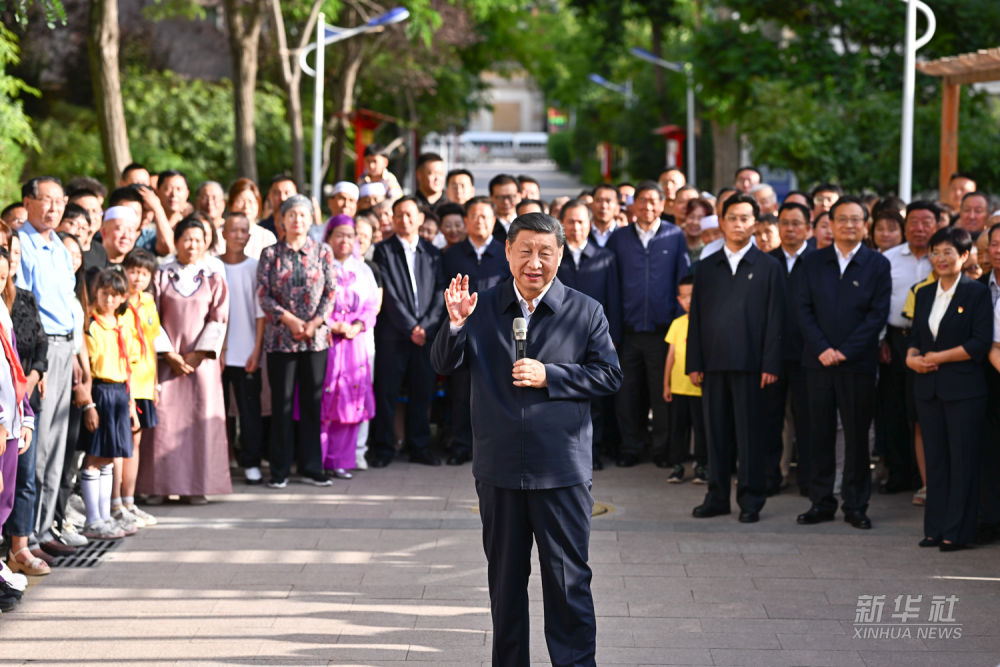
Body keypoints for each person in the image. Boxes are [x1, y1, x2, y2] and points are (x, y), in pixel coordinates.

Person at [431, 212, 622, 667]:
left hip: (561, 471)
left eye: (545, 253)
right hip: (499, 471)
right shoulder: (482, 307)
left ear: (560, 256)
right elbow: (442, 363)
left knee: (568, 585)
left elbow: (610, 374)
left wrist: (549, 375)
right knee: (505, 587)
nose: (535, 262)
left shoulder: (584, 310)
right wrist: (455, 323)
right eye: (525, 252)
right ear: (508, 252)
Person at [686, 193, 784, 523]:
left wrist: (771, 363)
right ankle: (716, 497)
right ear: (722, 221)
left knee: (749, 436)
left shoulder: (769, 266)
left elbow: (776, 318)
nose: (739, 224)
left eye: (745, 218)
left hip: (753, 366)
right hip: (713, 364)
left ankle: (751, 499)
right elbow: (695, 317)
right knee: (715, 436)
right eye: (733, 218)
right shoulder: (706, 267)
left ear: (755, 224)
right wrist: (694, 362)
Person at [796, 196, 891, 530]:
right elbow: (802, 309)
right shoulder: (812, 261)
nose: (849, 225)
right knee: (818, 433)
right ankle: (821, 502)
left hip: (858, 363)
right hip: (818, 362)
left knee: (856, 435)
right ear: (830, 224)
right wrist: (823, 348)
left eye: (856, 220)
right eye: (842, 219)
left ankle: (855, 504)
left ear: (865, 226)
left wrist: (846, 351)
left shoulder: (877, 265)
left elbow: (876, 315)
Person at [907, 226, 992, 551]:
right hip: (927, 388)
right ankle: (934, 528)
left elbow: (980, 342)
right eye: (936, 252)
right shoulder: (924, 292)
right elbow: (915, 338)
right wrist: (913, 358)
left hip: (964, 391)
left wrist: (940, 357)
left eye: (948, 252)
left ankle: (958, 531)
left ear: (965, 256)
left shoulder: (976, 293)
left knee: (962, 461)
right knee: (936, 460)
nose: (941, 258)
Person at [138, 217, 230, 503]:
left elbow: (219, 318)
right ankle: (157, 485)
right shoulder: (161, 274)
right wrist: (169, 353)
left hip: (201, 363)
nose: (193, 245)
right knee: (163, 422)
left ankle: (196, 486)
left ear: (206, 243)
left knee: (199, 421)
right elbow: (149, 315)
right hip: (166, 360)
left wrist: (197, 353)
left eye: (199, 239)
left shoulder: (213, 277)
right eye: (187, 239)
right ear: (175, 241)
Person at [15, 177, 79, 560]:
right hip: (43, 349)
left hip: (67, 343)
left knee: (57, 443)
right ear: (28, 202)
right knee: (38, 448)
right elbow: (25, 308)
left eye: (60, 201)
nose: (54, 208)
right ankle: (28, 537)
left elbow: (69, 300)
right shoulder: (21, 244)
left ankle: (45, 526)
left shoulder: (57, 244)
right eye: (46, 201)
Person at [606, 181, 689, 468]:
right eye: (642, 200)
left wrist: (678, 328)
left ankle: (661, 449)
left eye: (653, 201)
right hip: (626, 333)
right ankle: (631, 447)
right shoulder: (618, 238)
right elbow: (612, 285)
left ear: (663, 204)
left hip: (662, 332)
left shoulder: (674, 235)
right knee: (627, 394)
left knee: (661, 393)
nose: (647, 207)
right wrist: (612, 330)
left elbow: (683, 282)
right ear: (633, 204)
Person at [257, 195, 336, 488]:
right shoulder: (270, 254)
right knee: (283, 405)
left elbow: (330, 292)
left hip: (315, 340)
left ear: (310, 219)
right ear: (283, 220)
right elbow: (263, 294)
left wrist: (314, 323)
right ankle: (279, 470)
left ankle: (312, 467)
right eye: (292, 215)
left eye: (303, 215)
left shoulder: (323, 252)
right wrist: (290, 320)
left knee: (312, 404)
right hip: (281, 339)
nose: (297, 220)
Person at [370, 196, 446, 468]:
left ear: (421, 218)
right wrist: (410, 327)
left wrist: (425, 327)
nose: (404, 219)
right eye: (398, 215)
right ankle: (384, 448)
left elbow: (440, 294)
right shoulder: (383, 251)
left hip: (425, 337)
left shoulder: (433, 253)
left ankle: (420, 446)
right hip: (394, 335)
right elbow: (387, 293)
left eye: (409, 214)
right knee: (387, 392)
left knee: (422, 393)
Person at [441, 197, 509, 466]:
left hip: (497, 335)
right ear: (465, 221)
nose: (480, 221)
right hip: (462, 333)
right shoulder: (452, 255)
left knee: (496, 392)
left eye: (485, 217)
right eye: (475, 216)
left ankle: (495, 446)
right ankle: (461, 445)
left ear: (494, 221)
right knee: (460, 393)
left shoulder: (506, 253)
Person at [556, 199, 621, 470]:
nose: (575, 227)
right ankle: (563, 452)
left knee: (595, 398)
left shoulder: (605, 257)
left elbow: (613, 300)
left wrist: (613, 336)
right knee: (563, 395)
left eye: (581, 221)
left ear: (590, 224)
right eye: (570, 221)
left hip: (596, 336)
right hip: (560, 339)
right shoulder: (554, 256)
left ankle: (593, 451)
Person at [879, 202, 937, 495]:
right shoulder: (888, 259)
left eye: (926, 222)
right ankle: (898, 473)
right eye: (913, 222)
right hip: (894, 339)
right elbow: (878, 303)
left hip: (930, 343)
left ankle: (922, 476)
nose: (919, 228)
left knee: (921, 408)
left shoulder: (942, 258)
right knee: (893, 408)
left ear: (937, 225)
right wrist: (881, 340)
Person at [80, 269, 139, 540]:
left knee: (108, 459)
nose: (110, 300)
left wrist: (131, 404)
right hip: (101, 390)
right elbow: (88, 368)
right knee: (95, 456)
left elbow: (128, 366)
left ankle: (104, 516)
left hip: (119, 392)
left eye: (116, 295)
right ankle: (93, 519)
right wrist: (89, 403)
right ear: (96, 293)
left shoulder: (121, 324)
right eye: (105, 294)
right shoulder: (91, 325)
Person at [319, 218, 378, 478]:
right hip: (328, 341)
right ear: (329, 237)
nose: (344, 241)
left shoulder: (364, 270)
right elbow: (313, 303)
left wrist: (356, 325)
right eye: (339, 235)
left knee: (350, 400)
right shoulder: (320, 265)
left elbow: (371, 305)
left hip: (355, 343)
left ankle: (341, 460)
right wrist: (333, 324)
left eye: (349, 235)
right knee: (326, 399)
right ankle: (318, 459)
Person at [768, 202, 815, 495]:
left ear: (808, 228)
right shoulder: (766, 261)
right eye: (784, 223)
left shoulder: (819, 261)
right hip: (772, 355)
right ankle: (772, 477)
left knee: (808, 421)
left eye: (796, 223)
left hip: (809, 354)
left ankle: (809, 480)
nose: (790, 229)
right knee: (771, 422)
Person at [0, 248, 41, 575]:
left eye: (3, 277)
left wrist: (25, 414)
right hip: (0, 424)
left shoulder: (3, 310)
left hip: (12, 423)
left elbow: (16, 369)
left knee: (6, 497)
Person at [219, 214, 265, 485]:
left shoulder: (255, 267)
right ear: (223, 233)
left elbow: (260, 314)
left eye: (243, 231)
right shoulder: (212, 266)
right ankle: (220, 461)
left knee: (249, 412)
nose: (238, 235)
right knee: (218, 412)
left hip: (247, 350)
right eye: (233, 230)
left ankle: (251, 462)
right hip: (217, 354)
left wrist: (257, 351)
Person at [120, 249, 159, 529]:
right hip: (123, 383)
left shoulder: (148, 302)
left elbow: (152, 343)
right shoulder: (117, 302)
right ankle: (116, 503)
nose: (138, 277)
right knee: (121, 443)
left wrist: (155, 383)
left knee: (135, 442)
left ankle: (129, 500)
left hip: (144, 383)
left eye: (144, 273)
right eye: (133, 271)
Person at [663, 275, 706, 484]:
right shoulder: (677, 324)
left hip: (698, 388)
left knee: (701, 428)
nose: (689, 301)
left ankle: (701, 466)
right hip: (678, 387)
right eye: (684, 297)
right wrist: (666, 384)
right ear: (679, 300)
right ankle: (677, 466)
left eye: (693, 296)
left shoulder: (707, 322)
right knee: (678, 428)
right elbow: (670, 356)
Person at [226, 178, 277, 259]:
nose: (246, 206)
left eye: (250, 201)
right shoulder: (219, 235)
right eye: (241, 201)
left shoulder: (267, 237)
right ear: (231, 204)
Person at [489, 174, 521, 241]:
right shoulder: (486, 226)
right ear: (491, 198)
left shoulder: (527, 222)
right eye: (500, 197)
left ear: (519, 196)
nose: (506, 202)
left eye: (510, 197)